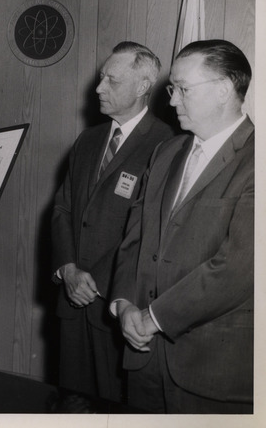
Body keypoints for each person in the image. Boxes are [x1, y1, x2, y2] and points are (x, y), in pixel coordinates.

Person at [111, 39, 254, 413]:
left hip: (211, 371)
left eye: (182, 89)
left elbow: (239, 268)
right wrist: (124, 303)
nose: (171, 100)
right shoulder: (166, 152)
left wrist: (154, 318)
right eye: (172, 89)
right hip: (143, 360)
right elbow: (135, 237)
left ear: (223, 89)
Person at [50, 42, 173, 405]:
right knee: (72, 403)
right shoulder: (88, 140)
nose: (99, 88)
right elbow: (62, 209)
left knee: (114, 408)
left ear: (141, 87)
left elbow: (147, 230)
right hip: (72, 300)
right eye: (101, 77)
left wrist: (97, 282)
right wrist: (69, 270)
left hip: (117, 307)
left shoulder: (166, 144)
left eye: (111, 80)